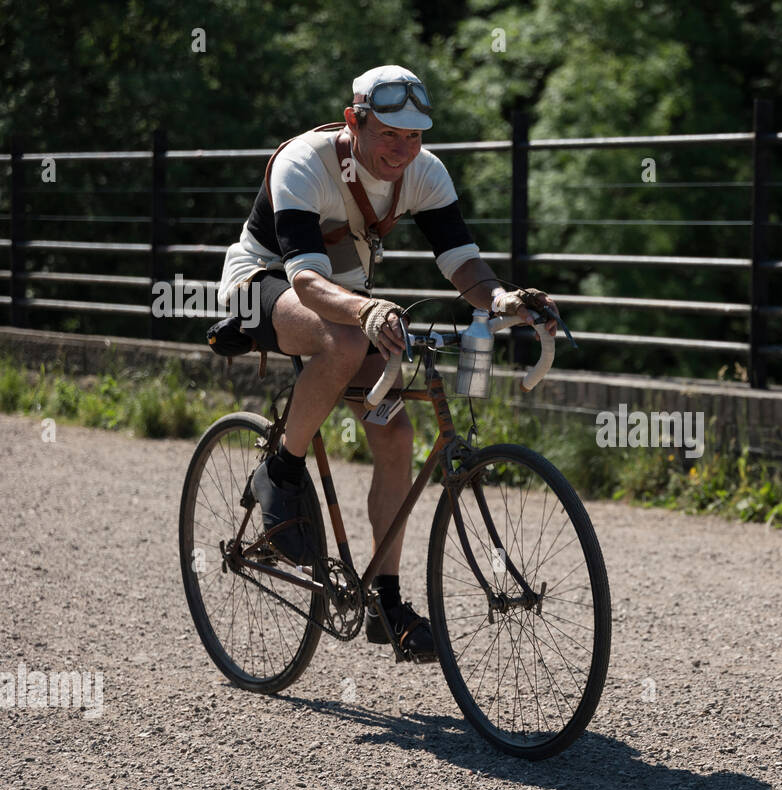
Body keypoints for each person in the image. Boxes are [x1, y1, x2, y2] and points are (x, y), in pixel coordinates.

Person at [216, 64, 558, 663]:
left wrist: (503, 299)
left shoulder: (424, 173)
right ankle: (282, 471)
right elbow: (305, 279)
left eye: (415, 137)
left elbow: (463, 265)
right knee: (343, 343)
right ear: (356, 121)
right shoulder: (304, 162)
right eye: (390, 135)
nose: (403, 150)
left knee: (397, 435)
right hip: (264, 284)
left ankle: (386, 603)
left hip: (347, 301)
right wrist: (368, 313)